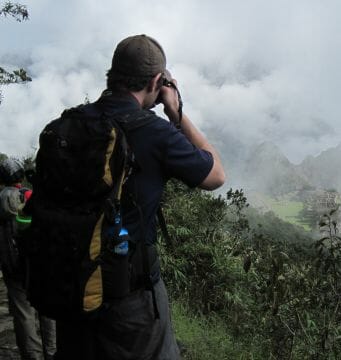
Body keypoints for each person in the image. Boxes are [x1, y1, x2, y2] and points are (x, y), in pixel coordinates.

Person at [53, 35, 225, 360]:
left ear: (113, 74)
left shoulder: (68, 124)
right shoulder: (155, 132)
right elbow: (216, 174)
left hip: (70, 287)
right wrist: (176, 112)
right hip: (129, 300)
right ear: (157, 82)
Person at [0, 157, 56, 360]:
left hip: (12, 266)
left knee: (23, 314)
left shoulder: (0, 199)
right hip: (38, 263)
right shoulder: (31, 196)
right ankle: (52, 352)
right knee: (47, 308)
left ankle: (32, 357)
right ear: (22, 176)